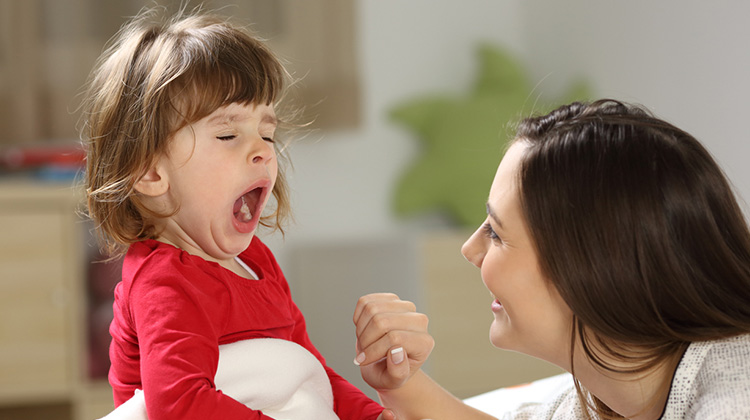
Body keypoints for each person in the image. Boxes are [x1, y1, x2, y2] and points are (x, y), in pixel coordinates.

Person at [80, 8, 392, 420]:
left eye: (267, 132)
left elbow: (309, 371)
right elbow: (180, 406)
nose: (263, 149)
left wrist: (370, 415)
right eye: (228, 135)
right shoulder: (164, 284)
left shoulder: (257, 263)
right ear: (151, 172)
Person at [353, 99, 750, 419]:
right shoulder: (608, 394)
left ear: (592, 265)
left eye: (494, 231)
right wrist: (402, 383)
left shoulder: (734, 401)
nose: (470, 249)